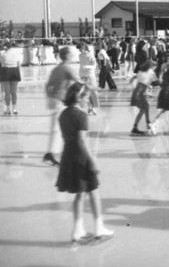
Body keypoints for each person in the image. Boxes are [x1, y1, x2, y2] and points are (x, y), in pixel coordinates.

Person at [55, 82, 114, 243]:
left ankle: (77, 230)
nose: (88, 101)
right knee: (94, 191)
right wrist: (92, 160)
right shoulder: (81, 115)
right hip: (81, 157)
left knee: (80, 194)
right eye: (87, 98)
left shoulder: (63, 114)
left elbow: (68, 138)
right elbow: (81, 141)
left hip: (68, 154)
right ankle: (99, 227)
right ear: (79, 97)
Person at [44, 47, 80, 166]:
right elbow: (78, 82)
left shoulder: (57, 68)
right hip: (61, 100)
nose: (73, 55)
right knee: (60, 128)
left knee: (58, 127)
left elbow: (48, 85)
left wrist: (49, 98)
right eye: (71, 54)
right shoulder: (67, 68)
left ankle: (53, 152)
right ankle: (52, 153)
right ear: (67, 56)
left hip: (56, 99)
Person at [129, 61, 158, 136]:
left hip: (136, 93)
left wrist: (132, 79)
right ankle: (148, 124)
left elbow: (137, 78)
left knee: (143, 109)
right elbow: (157, 82)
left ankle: (135, 128)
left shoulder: (140, 71)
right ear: (152, 67)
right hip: (139, 94)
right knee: (146, 106)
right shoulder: (151, 73)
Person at [0, 42, 22, 115]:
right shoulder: (16, 53)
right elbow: (18, 64)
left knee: (7, 92)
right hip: (14, 71)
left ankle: (8, 109)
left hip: (5, 71)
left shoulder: (1, 53)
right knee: (14, 92)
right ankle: (14, 108)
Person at [78, 43, 99, 115]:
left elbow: (95, 65)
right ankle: (90, 106)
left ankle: (93, 107)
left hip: (90, 75)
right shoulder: (80, 55)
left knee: (93, 92)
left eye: (81, 49)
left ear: (85, 48)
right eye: (79, 49)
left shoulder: (91, 55)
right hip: (82, 75)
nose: (80, 50)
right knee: (84, 93)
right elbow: (81, 65)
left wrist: (87, 67)